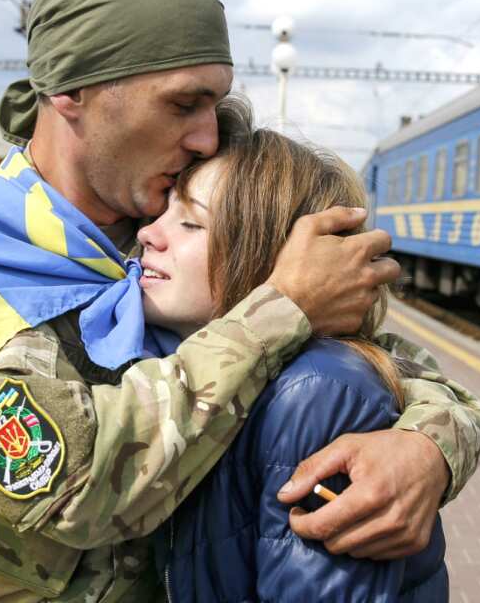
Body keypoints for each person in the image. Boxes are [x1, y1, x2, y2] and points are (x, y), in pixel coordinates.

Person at [0, 0, 480, 603]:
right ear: (71, 91)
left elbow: (378, 367)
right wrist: (283, 304)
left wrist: (430, 447)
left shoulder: (156, 225)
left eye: (216, 105)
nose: (207, 137)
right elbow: (73, 485)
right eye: (184, 105)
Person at [153, 126, 449, 600]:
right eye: (158, 213)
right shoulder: (176, 353)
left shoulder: (316, 393)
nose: (149, 234)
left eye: (189, 223)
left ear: (283, 257)